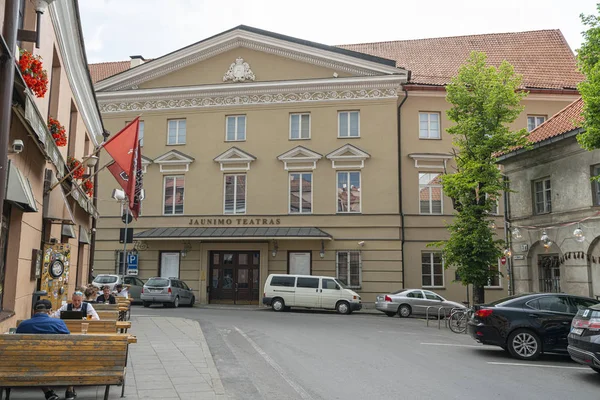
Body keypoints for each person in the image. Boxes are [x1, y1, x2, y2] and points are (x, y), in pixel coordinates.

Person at [16, 300, 75, 400]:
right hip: (58, 361)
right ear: (50, 311)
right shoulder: (59, 323)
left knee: (34, 362)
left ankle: (47, 392)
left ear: (34, 311)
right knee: (74, 358)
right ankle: (70, 390)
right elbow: (68, 341)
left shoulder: (23, 325)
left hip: (31, 363)